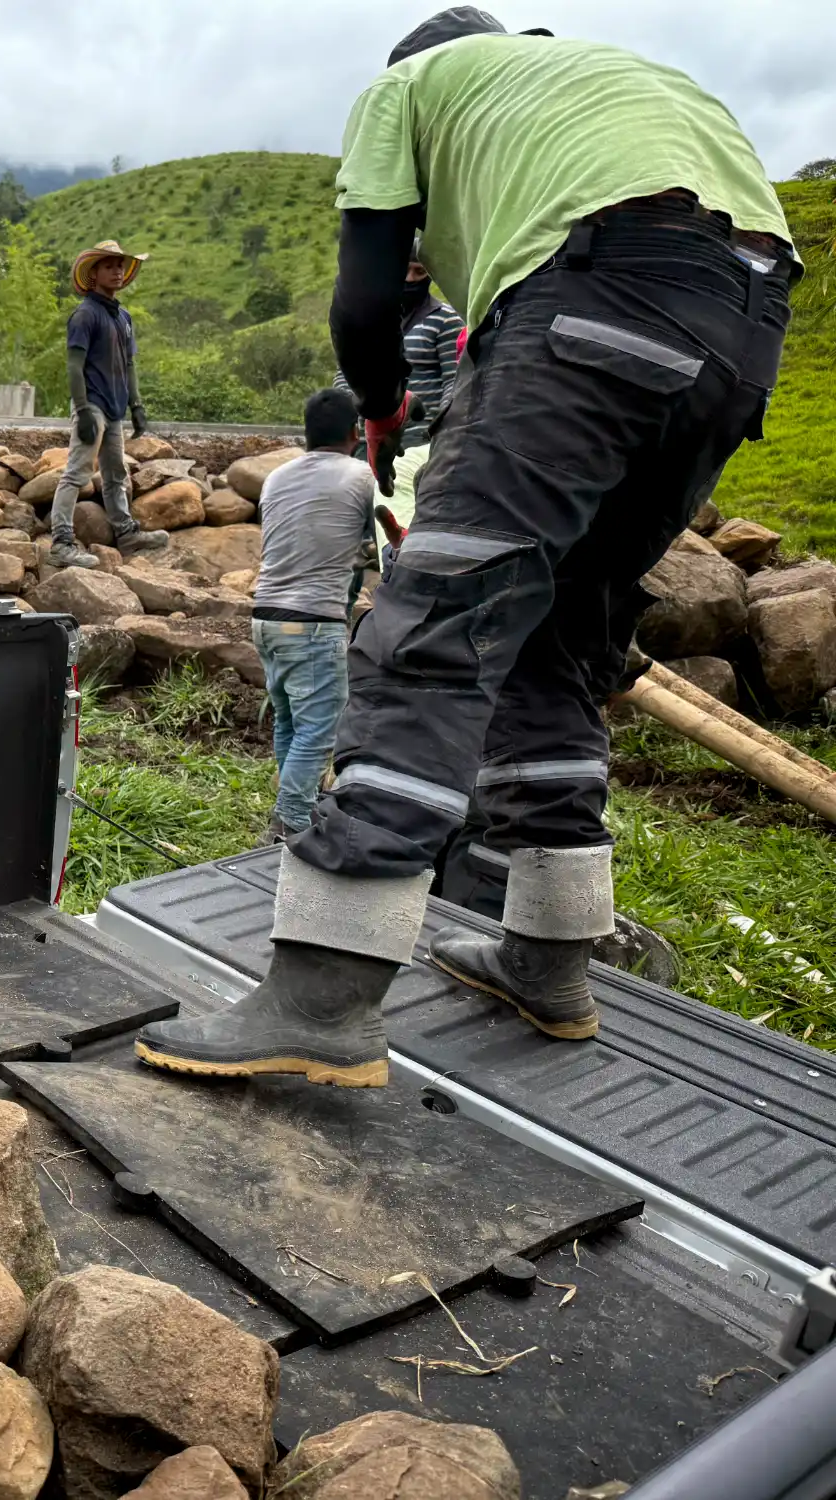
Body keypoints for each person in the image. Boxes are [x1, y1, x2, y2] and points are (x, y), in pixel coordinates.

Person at [135, 7, 794, 1088]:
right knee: (555, 640)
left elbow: (363, 302)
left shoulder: (413, 87)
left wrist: (383, 402)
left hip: (593, 298)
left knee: (436, 624)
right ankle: (546, 959)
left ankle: (320, 994)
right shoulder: (605, 83)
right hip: (742, 333)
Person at [251, 389, 377, 842]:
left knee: (290, 722)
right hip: (311, 623)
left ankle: (292, 810)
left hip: (265, 619)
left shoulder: (276, 477)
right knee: (318, 732)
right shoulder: (360, 476)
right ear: (354, 432)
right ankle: (290, 825)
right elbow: (382, 537)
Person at [49, 241, 171, 569]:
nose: (117, 271)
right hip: (94, 405)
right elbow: (74, 366)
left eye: (120, 266)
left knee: (116, 473)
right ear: (94, 273)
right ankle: (61, 543)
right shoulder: (85, 314)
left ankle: (126, 532)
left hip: (115, 408)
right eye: (109, 266)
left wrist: (137, 406)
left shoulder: (124, 317)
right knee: (77, 472)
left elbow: (129, 365)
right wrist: (83, 408)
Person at [336, 243, 467, 424]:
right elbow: (345, 375)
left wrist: (440, 433)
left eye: (419, 271)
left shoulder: (446, 320)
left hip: (421, 442)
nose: (410, 279)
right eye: (404, 270)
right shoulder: (369, 320)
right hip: (366, 440)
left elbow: (455, 385)